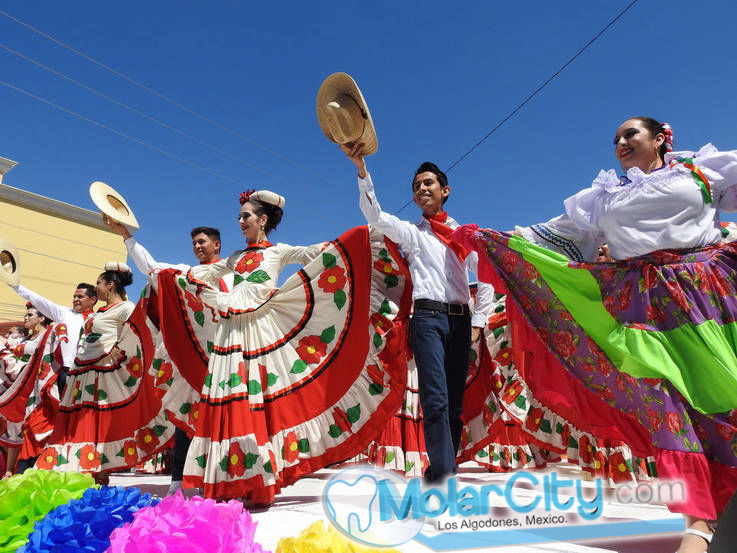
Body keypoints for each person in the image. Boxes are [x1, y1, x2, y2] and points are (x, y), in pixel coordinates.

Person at [455, 117, 737, 553]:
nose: (621, 143)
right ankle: (697, 524)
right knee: (662, 399)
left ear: (661, 139)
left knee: (723, 399)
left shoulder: (700, 171)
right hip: (642, 308)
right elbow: (549, 235)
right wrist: (490, 240)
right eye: (616, 139)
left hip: (707, 300)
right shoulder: (604, 198)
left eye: (631, 135)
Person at [150, 189, 410, 503]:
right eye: (240, 216)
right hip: (231, 330)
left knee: (260, 399)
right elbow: (197, 273)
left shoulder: (278, 252)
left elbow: (318, 252)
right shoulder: (234, 258)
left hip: (260, 331)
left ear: (262, 220)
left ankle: (260, 479)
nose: (240, 221)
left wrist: (361, 238)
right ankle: (232, 479)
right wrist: (162, 272)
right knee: (233, 398)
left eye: (246, 216)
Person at [340, 145, 493, 483]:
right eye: (416, 186)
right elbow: (375, 216)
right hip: (426, 320)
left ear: (445, 190)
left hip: (460, 321)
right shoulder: (412, 234)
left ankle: (442, 471)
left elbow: (485, 275)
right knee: (435, 399)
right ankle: (443, 476)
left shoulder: (463, 235)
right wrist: (361, 170)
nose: (421, 189)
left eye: (428, 184)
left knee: (454, 404)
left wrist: (479, 322)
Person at [104, 216, 233, 495]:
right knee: (186, 415)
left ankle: (224, 479)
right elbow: (152, 267)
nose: (197, 247)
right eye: (194, 243)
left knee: (227, 417)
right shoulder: (187, 273)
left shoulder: (234, 276)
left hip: (227, 355)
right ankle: (179, 480)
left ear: (217, 244)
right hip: (192, 355)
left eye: (202, 242)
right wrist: (126, 234)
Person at [40, 262, 176, 480]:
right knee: (78, 421)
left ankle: (99, 471)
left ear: (110, 285)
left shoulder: (126, 308)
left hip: (102, 373)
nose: (97, 288)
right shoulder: (98, 313)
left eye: (99, 283)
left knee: (97, 421)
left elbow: (140, 333)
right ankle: (75, 469)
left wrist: (116, 355)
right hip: (81, 373)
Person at [0, 304, 65, 477]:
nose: (25, 318)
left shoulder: (48, 335)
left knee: (37, 429)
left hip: (41, 390)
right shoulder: (22, 340)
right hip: (22, 390)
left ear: (42, 318)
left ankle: (37, 470)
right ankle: (11, 471)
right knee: (17, 430)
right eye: (25, 315)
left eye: (30, 315)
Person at [8, 281, 97, 394]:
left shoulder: (98, 319)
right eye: (74, 296)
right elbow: (39, 300)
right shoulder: (64, 313)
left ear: (93, 300)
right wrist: (16, 286)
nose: (75, 299)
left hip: (88, 373)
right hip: (65, 371)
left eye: (80, 296)